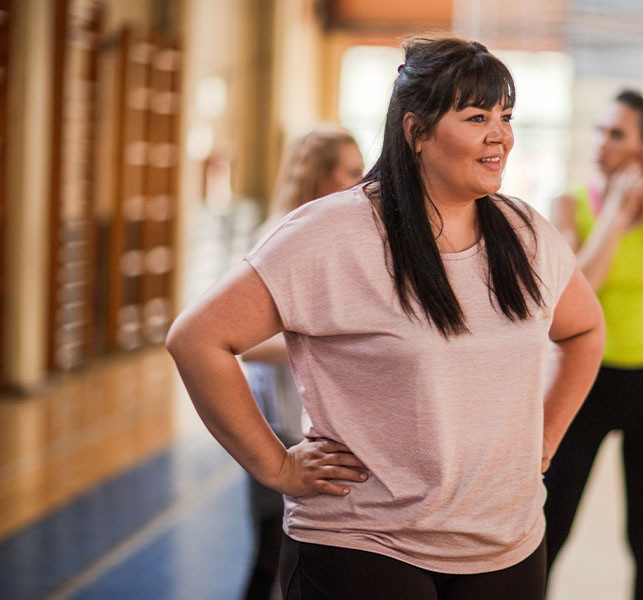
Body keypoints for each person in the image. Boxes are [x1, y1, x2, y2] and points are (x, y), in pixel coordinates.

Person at [166, 36, 605, 600]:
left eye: (506, 115)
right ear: (416, 132)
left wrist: (544, 439)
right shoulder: (331, 233)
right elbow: (198, 339)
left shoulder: (525, 233)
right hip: (363, 544)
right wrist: (276, 467)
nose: (501, 134)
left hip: (507, 546)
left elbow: (585, 331)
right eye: (477, 116)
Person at [543, 89, 643, 600]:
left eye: (617, 134)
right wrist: (613, 209)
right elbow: (579, 287)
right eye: (598, 130)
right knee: (553, 528)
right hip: (584, 381)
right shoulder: (569, 203)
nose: (601, 143)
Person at [239, 125, 365, 600]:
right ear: (318, 177)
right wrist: (333, 342)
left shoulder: (337, 236)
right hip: (281, 423)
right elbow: (247, 343)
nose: (360, 184)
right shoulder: (280, 237)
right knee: (272, 555)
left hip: (310, 420)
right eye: (351, 172)